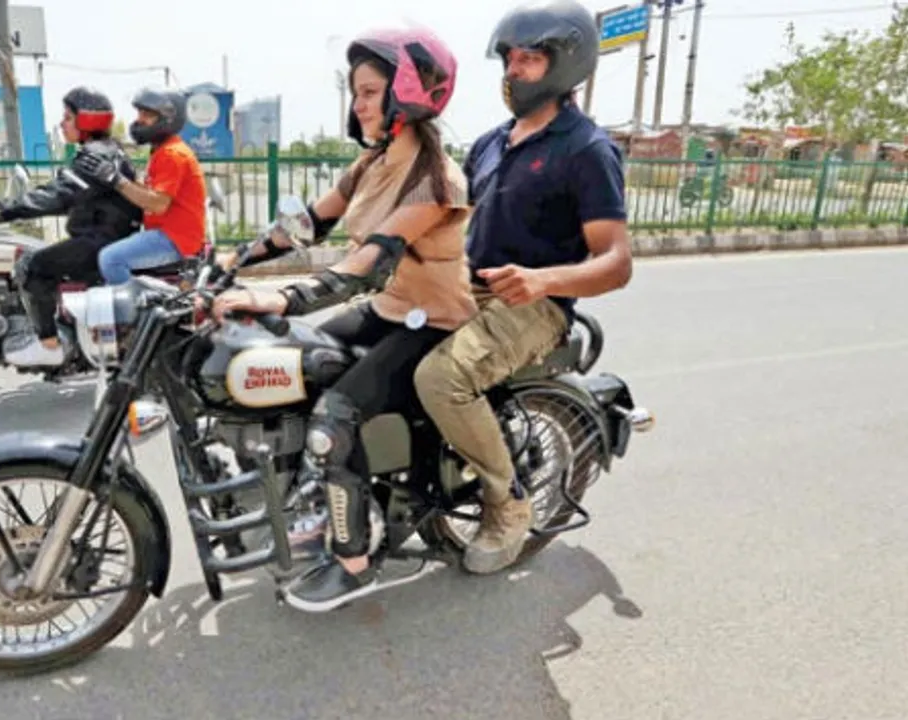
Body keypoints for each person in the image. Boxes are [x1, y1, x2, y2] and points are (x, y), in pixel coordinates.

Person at [212, 27, 471, 612]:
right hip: (388, 313)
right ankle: (309, 498)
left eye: (370, 91)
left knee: (335, 414)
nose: (358, 103)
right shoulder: (371, 164)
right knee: (288, 361)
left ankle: (354, 564)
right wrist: (233, 259)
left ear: (407, 92)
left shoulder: (437, 179)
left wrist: (284, 297)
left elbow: (370, 261)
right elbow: (306, 224)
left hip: (433, 323)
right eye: (354, 91)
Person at [412, 0, 634, 575]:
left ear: (566, 64)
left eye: (530, 59)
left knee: (444, 377)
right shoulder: (490, 142)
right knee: (371, 343)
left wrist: (543, 281)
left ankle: (507, 504)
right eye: (509, 59)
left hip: (535, 307)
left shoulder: (586, 148)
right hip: (468, 290)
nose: (513, 70)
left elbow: (616, 262)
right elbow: (450, 218)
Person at [0, 86, 141, 367]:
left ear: (85, 121)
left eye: (67, 117)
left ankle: (48, 345)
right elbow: (66, 195)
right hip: (103, 237)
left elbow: (57, 194)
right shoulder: (102, 151)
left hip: (99, 241)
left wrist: (2, 210)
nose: (62, 124)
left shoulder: (95, 156)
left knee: (32, 267)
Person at [74, 88, 208, 284]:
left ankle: (134, 309)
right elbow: (149, 192)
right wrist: (118, 175)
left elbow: (157, 204)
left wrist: (116, 180)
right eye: (139, 113)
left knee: (110, 259)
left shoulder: (173, 154)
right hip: (168, 235)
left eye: (147, 115)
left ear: (168, 118)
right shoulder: (162, 151)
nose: (139, 120)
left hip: (175, 240)